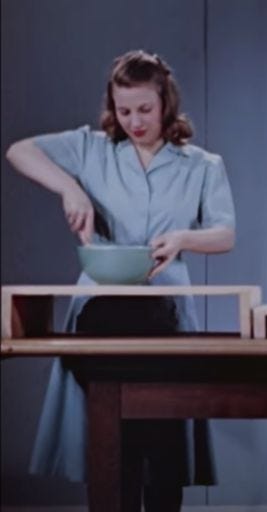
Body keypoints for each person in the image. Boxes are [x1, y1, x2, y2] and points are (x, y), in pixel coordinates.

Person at [5, 49, 236, 511]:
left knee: (165, 435)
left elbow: (225, 234)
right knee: (109, 439)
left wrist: (184, 238)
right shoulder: (92, 149)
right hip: (101, 312)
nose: (134, 121)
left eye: (144, 109)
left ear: (166, 103)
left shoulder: (202, 165)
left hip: (167, 310)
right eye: (124, 110)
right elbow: (19, 151)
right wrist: (70, 187)